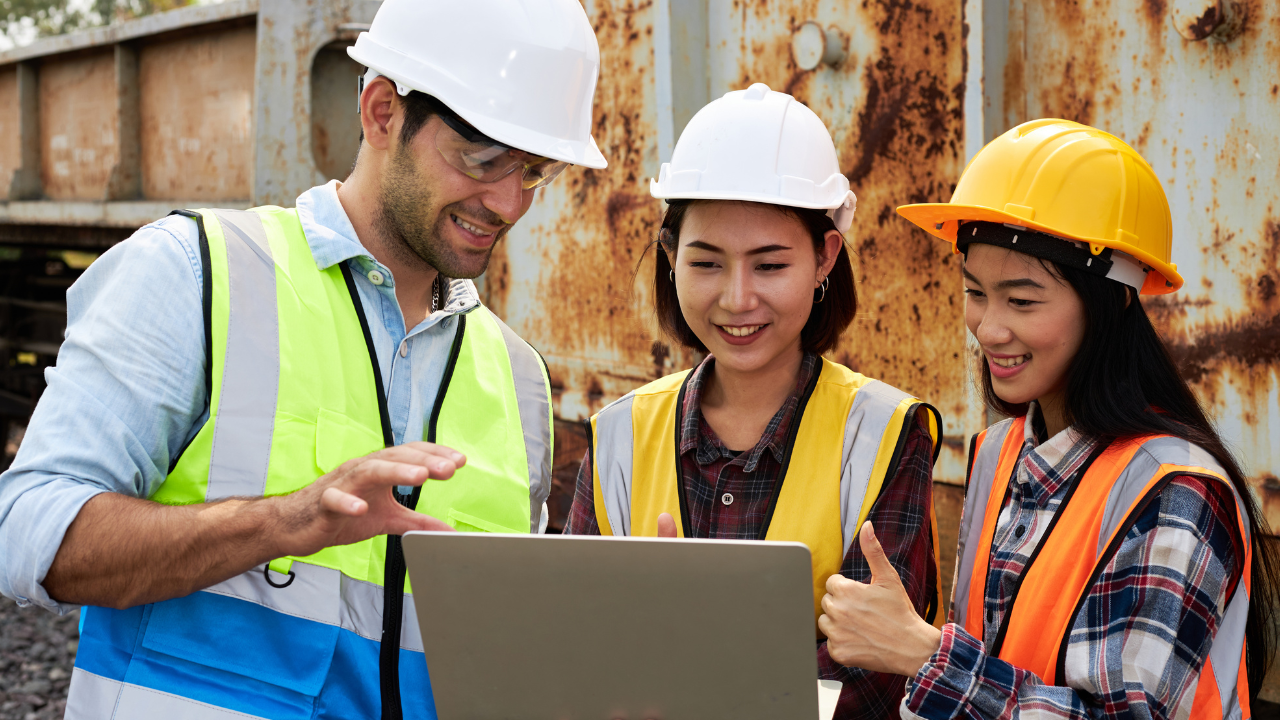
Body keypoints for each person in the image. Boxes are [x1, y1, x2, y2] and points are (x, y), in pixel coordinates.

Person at [0, 0, 608, 718]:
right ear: (382, 112)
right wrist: (283, 523)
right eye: (483, 160)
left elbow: (501, 657)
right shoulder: (197, 272)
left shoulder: (519, 378)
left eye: (534, 171)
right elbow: (28, 533)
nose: (508, 202)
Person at [818, 119, 1279, 720]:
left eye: (1022, 300)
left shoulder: (1175, 495)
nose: (988, 328)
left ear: (1107, 305)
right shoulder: (997, 451)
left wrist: (928, 655)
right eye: (975, 292)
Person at [565, 83, 943, 720]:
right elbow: (572, 647)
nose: (737, 299)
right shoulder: (620, 436)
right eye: (707, 263)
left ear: (825, 257)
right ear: (670, 254)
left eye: (769, 265)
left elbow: (871, 681)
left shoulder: (885, 434)